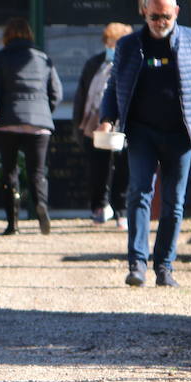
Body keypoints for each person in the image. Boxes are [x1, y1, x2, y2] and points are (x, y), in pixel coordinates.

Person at [98, 0, 191, 288]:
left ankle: (165, 266)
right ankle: (137, 264)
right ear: (145, 12)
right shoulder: (129, 45)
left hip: (182, 132)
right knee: (139, 193)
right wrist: (107, 119)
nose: (160, 22)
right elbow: (115, 85)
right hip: (141, 131)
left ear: (176, 13)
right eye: (154, 16)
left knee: (174, 202)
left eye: (165, 16)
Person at [0, 17, 62, 235]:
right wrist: (44, 111)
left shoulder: (2, 58)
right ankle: (41, 205)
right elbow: (57, 93)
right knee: (37, 172)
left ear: (7, 36)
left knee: (9, 172)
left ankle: (12, 223)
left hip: (10, 122)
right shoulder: (43, 58)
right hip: (39, 123)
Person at [72, 22, 133, 228]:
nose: (112, 46)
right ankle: (99, 207)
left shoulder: (132, 63)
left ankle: (121, 209)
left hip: (124, 123)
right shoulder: (94, 64)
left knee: (123, 167)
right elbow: (83, 95)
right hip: (94, 123)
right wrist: (79, 125)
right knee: (98, 167)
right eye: (109, 42)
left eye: (116, 42)